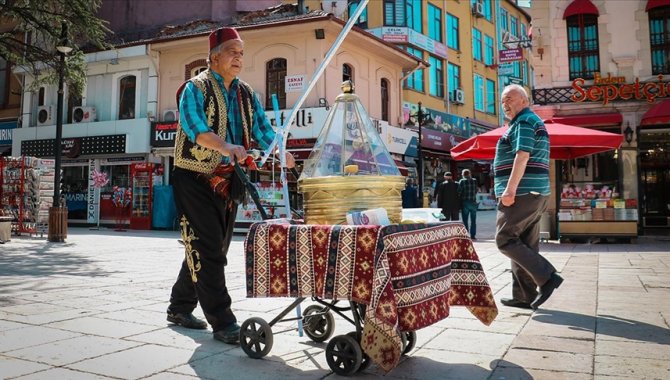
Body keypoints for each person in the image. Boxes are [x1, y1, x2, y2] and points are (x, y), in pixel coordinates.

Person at [166, 27, 295, 343]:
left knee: (209, 246)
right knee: (210, 248)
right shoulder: (194, 89)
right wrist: (227, 147)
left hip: (229, 181)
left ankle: (179, 307)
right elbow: (196, 129)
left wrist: (280, 151)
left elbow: (264, 133)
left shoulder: (248, 94)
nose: (239, 56)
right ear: (214, 57)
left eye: (241, 51)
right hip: (194, 177)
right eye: (232, 51)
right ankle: (223, 322)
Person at [494, 84, 563, 311]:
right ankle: (524, 296)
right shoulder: (527, 121)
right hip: (534, 192)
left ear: (524, 100)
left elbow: (522, 155)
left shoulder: (524, 121)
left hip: (522, 193)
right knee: (523, 244)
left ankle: (547, 276)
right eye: (503, 100)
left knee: (505, 240)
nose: (505, 104)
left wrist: (510, 189)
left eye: (510, 99)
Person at [458, 169, 479, 239]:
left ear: (463, 174)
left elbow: (459, 192)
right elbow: (476, 190)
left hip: (465, 202)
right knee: (473, 220)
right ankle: (473, 235)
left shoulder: (462, 181)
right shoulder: (474, 180)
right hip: (473, 202)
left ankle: (466, 235)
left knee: (465, 220)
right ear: (469, 174)